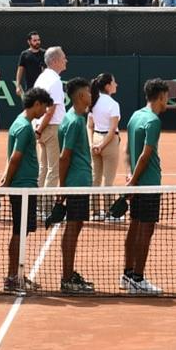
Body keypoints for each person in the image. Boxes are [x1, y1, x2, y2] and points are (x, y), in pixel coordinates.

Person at [121, 78, 169, 295]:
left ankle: (127, 275)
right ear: (160, 97)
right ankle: (138, 279)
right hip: (148, 183)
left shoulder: (135, 116)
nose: (167, 100)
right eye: (166, 96)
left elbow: (128, 151)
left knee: (134, 226)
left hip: (138, 181)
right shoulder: (153, 121)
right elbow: (145, 154)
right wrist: (135, 180)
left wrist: (131, 176)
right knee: (145, 229)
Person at [1, 86, 50, 295]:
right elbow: (15, 157)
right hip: (23, 188)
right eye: (44, 107)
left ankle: (17, 275)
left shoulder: (21, 124)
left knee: (21, 232)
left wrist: (6, 179)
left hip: (24, 187)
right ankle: (13, 278)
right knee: (19, 233)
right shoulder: (23, 127)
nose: (45, 111)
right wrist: (7, 182)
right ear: (36, 104)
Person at [54, 77, 96, 294]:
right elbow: (64, 156)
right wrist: (62, 187)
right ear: (81, 96)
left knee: (76, 225)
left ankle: (69, 275)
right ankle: (67, 278)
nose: (91, 95)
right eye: (88, 92)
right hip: (76, 183)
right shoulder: (74, 121)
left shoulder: (77, 118)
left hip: (79, 182)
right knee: (73, 227)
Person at [87, 74, 122, 221]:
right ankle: (109, 213)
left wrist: (92, 144)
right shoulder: (113, 104)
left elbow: (89, 126)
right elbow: (112, 129)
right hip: (109, 143)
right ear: (108, 86)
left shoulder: (92, 102)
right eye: (114, 82)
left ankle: (95, 212)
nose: (116, 85)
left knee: (95, 179)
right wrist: (102, 145)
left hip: (95, 140)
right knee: (108, 180)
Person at [34, 47, 68, 196]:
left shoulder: (41, 78)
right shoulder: (54, 81)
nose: (66, 60)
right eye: (63, 58)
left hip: (41, 127)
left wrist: (38, 130)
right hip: (51, 128)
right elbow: (50, 110)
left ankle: (38, 205)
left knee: (44, 167)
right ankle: (45, 208)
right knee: (54, 170)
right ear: (55, 61)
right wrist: (40, 129)